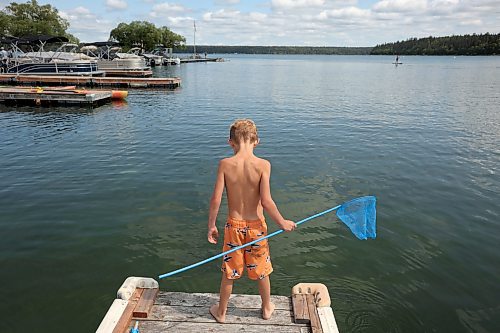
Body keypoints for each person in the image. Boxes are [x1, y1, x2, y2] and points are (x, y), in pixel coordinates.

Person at [207, 119, 296, 323]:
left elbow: (216, 199)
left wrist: (211, 225)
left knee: (230, 272)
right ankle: (266, 308)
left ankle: (221, 312)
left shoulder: (225, 164)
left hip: (233, 226)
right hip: (256, 227)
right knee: (262, 270)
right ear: (257, 141)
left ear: (230, 142)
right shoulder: (263, 165)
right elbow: (266, 201)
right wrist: (282, 222)